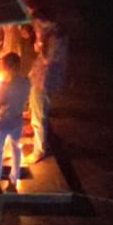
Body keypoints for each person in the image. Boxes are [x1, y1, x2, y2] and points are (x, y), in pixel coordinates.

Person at [0, 52, 33, 191]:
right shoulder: (26, 82)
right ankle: (14, 178)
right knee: (16, 150)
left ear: (7, 67)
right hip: (17, 121)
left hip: (2, 122)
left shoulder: (4, 85)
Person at [28, 16, 67, 164]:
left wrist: (42, 42)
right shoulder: (51, 31)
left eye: (37, 25)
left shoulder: (53, 37)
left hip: (44, 80)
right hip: (39, 76)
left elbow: (47, 59)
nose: (35, 27)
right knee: (36, 108)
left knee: (39, 115)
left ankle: (39, 150)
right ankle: (34, 129)